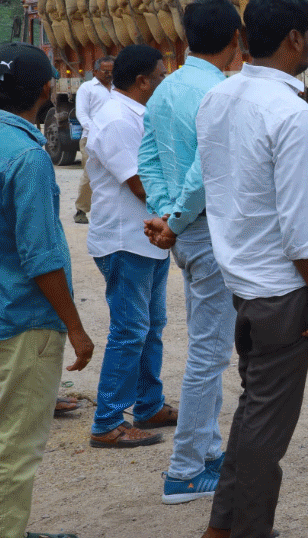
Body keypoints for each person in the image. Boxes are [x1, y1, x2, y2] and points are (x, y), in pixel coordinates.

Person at [195, 0, 308, 538]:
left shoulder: (218, 98)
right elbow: (300, 234)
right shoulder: (290, 111)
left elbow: (237, 181)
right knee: (267, 429)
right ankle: (247, 530)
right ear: (293, 39)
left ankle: (222, 526)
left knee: (254, 409)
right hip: (281, 291)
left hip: (241, 280)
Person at [138, 0, 243, 504]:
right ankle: (183, 470)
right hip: (204, 231)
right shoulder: (220, 91)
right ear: (234, 40)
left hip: (184, 231)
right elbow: (206, 170)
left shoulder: (166, 89)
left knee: (210, 344)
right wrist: (176, 220)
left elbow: (149, 157)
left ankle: (206, 450)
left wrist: (163, 216)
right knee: (209, 351)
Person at [0, 43, 94, 538]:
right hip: (21, 322)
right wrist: (75, 329)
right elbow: (40, 257)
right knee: (14, 449)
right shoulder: (27, 157)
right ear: (45, 91)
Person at [87, 44, 173, 449]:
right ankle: (107, 422)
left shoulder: (135, 115)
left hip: (147, 240)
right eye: (160, 76)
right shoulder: (117, 120)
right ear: (142, 81)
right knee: (129, 331)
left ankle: (148, 405)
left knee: (150, 328)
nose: (164, 82)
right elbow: (140, 184)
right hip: (126, 241)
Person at [73, 55, 114, 224]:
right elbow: (81, 113)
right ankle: (81, 210)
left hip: (114, 138)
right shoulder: (87, 88)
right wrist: (96, 131)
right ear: (96, 71)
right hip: (91, 139)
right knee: (90, 174)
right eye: (105, 71)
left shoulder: (119, 88)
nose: (109, 74)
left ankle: (109, 212)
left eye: (112, 71)